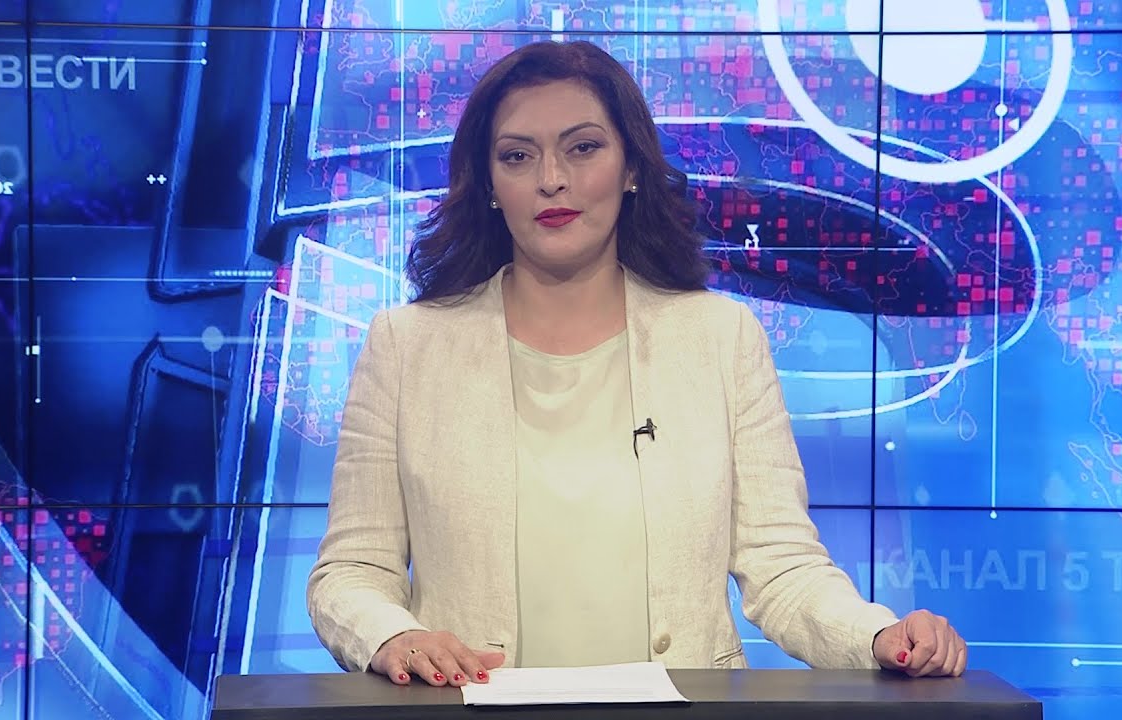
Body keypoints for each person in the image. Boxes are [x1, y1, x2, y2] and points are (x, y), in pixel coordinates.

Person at [306, 39, 967, 688]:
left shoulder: (721, 338)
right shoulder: (407, 347)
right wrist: (394, 636)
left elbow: (781, 564)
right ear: (489, 185)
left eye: (583, 147)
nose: (551, 178)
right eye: (517, 156)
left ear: (631, 168)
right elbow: (351, 571)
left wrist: (875, 635)